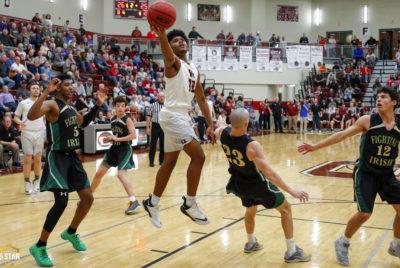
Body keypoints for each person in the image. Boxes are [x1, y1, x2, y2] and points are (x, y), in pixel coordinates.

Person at [298, 86, 400, 266]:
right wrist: (315, 146)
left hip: (387, 174)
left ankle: (396, 245)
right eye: (377, 97)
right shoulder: (368, 120)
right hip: (366, 173)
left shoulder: (398, 127)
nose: (378, 99)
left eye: (383, 97)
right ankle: (343, 241)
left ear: (393, 102)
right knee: (365, 214)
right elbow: (341, 135)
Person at [27, 74, 108, 267]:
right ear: (58, 88)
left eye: (73, 84)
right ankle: (39, 245)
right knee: (61, 201)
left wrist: (97, 105)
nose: (72, 87)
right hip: (58, 158)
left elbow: (83, 123)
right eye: (67, 85)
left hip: (73, 158)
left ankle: (71, 232)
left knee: (88, 198)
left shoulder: (71, 108)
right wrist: (46, 92)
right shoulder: (52, 105)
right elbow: (31, 116)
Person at [142, 25, 215, 228]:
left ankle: (152, 202)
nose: (180, 41)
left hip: (183, 117)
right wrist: (163, 36)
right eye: (175, 41)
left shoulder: (193, 69)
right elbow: (167, 55)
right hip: (172, 117)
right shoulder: (172, 64)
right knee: (199, 156)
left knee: (169, 163)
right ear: (170, 48)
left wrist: (210, 124)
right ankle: (190, 204)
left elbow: (200, 98)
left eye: (182, 39)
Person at [215, 108, 311, 262]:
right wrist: (292, 191)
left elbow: (217, 129)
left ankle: (251, 242)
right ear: (247, 124)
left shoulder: (223, 134)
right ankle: (292, 251)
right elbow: (270, 174)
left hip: (239, 183)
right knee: (286, 209)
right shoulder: (251, 145)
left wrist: (220, 124)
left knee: (250, 209)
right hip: (257, 185)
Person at [90, 96, 140, 214]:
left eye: (122, 106)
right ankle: (89, 197)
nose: (120, 108)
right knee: (98, 173)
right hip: (114, 149)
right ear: (114, 107)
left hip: (125, 149)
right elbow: (116, 136)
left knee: (120, 175)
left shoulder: (127, 119)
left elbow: (133, 136)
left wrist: (116, 138)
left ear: (125, 107)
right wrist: (110, 139)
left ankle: (134, 202)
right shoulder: (112, 119)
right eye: (118, 106)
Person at [14, 82, 45, 194]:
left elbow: (45, 119)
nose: (36, 90)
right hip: (26, 133)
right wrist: (21, 122)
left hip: (39, 133)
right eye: (33, 88)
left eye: (37, 88)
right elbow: (16, 117)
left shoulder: (43, 103)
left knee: (38, 159)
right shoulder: (23, 103)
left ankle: (37, 181)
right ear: (29, 91)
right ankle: (27, 183)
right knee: (27, 159)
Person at [146, 92, 165, 167]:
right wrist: (147, 127)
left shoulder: (167, 106)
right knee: (153, 144)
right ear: (157, 97)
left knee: (163, 145)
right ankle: (151, 161)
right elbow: (149, 117)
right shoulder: (153, 105)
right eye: (160, 96)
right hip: (155, 125)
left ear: (164, 97)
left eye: (163, 96)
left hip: (163, 126)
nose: (161, 98)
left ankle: (161, 161)